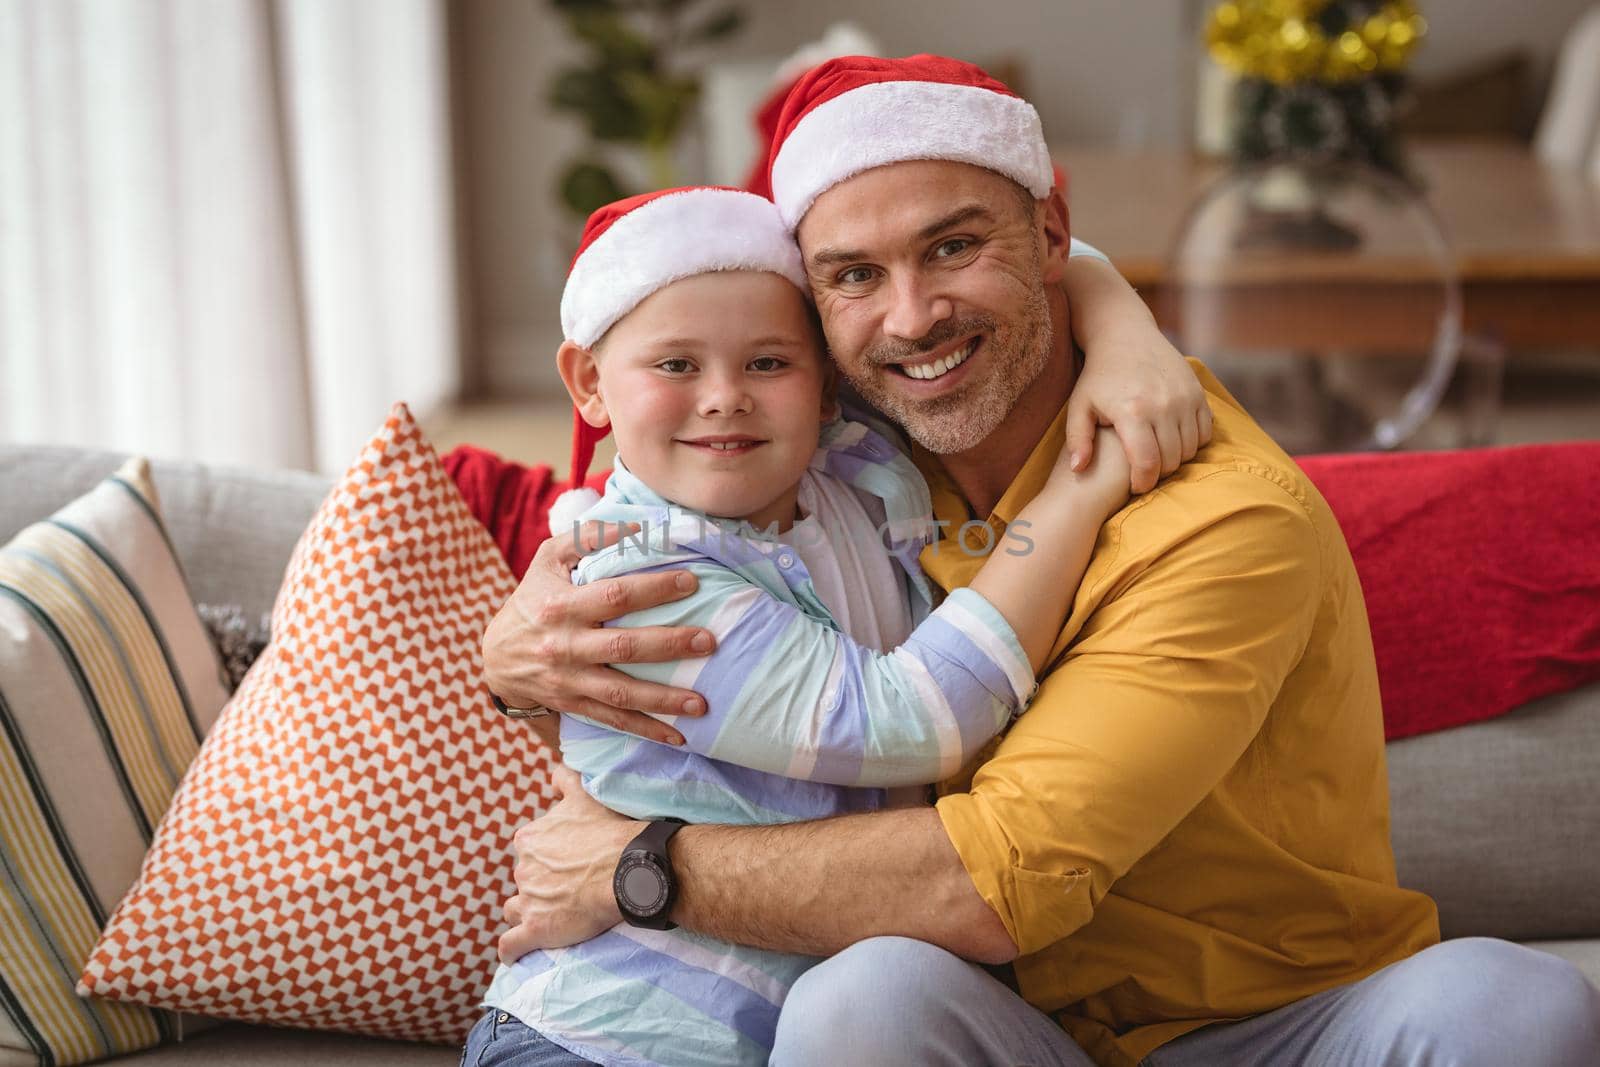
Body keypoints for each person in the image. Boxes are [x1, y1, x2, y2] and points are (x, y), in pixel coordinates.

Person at [486, 57, 1600, 1067]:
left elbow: (999, 878)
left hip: (1278, 1025)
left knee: (1515, 1005)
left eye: (954, 247)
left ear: (1050, 234)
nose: (912, 318)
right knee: (861, 997)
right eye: (853, 276)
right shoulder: (852, 457)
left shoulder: (1222, 522)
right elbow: (648, 462)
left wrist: (645, 867)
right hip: (1012, 1032)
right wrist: (515, 651)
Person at [465, 185, 1141, 1066]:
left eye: (768, 364)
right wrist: (1084, 490)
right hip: (614, 1035)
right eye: (674, 366)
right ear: (590, 384)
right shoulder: (637, 570)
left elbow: (1017, 284)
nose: (724, 398)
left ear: (823, 385)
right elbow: (907, 722)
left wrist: (1131, 341)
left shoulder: (849, 472)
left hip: (797, 1029)